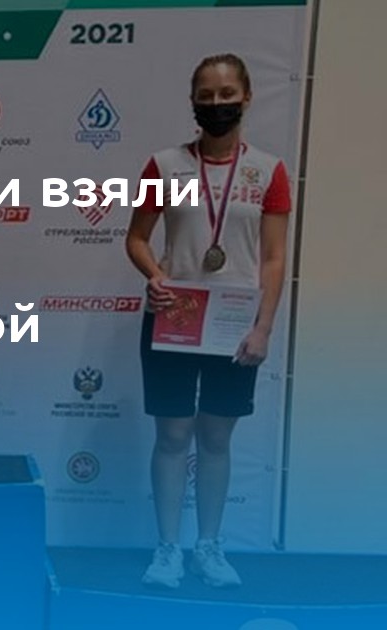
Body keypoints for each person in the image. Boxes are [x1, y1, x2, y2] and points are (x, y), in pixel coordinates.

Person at [126, 53, 291, 588]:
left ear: (246, 98)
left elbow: (273, 258)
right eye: (206, 95)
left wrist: (264, 326)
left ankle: (209, 546)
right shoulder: (165, 164)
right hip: (173, 315)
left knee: (216, 437)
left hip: (234, 322)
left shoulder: (268, 170)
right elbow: (137, 238)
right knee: (173, 434)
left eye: (226, 94)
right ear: (193, 101)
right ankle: (167, 549)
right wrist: (155, 275)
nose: (216, 104)